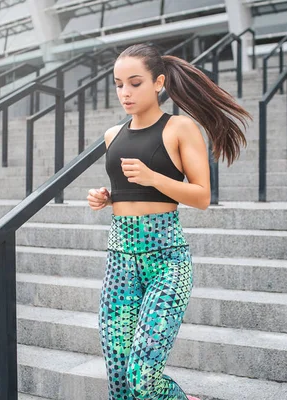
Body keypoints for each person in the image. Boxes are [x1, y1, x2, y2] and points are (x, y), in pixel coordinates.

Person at [87, 43, 251, 400]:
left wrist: (154, 178)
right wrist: (107, 197)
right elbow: (129, 191)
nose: (125, 93)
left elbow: (202, 197)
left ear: (158, 82)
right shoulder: (112, 136)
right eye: (118, 84)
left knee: (143, 378)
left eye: (135, 83)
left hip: (166, 260)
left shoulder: (179, 128)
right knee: (119, 381)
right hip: (120, 261)